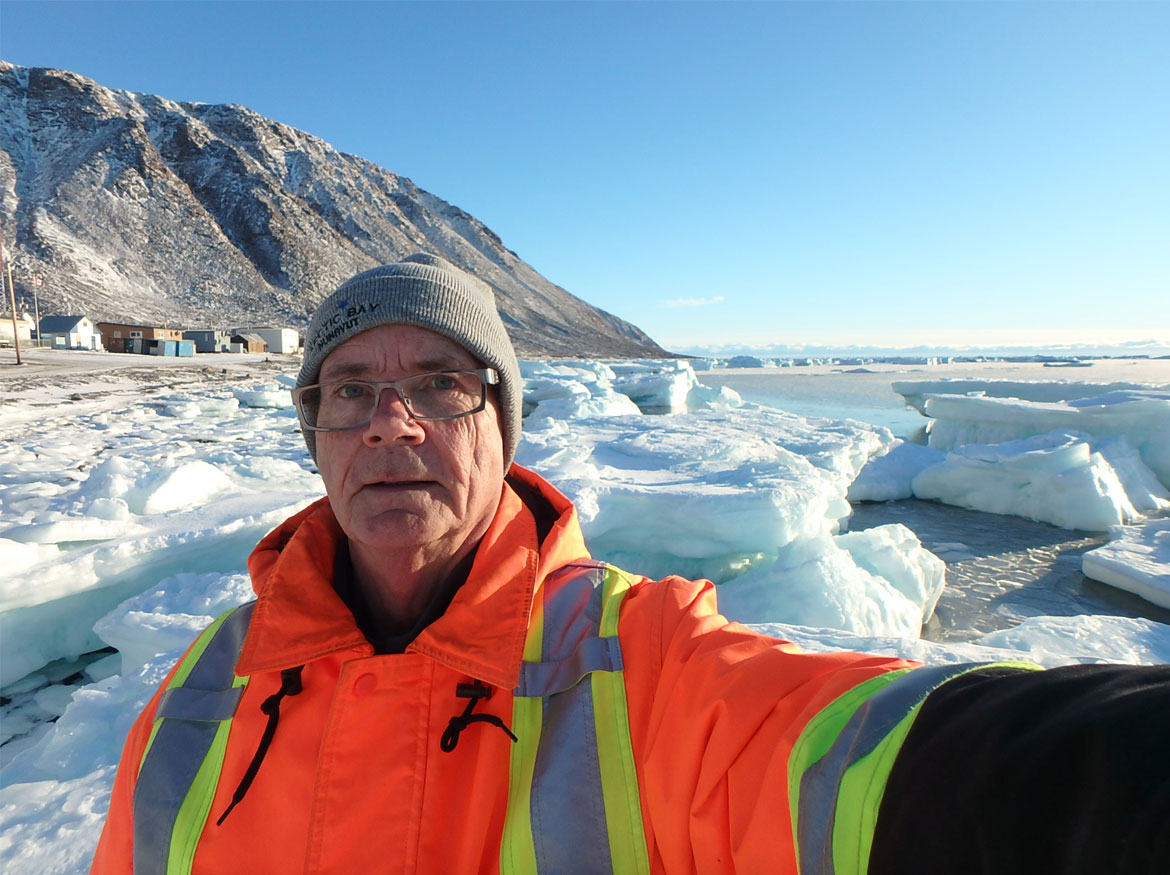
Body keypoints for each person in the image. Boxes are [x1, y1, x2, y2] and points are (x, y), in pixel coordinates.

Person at [93, 254, 1170, 874]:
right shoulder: (200, 696)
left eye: (439, 383)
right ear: (316, 429)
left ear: (501, 426)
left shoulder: (637, 665)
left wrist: (1106, 772)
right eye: (350, 389)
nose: (392, 422)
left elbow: (865, 752)